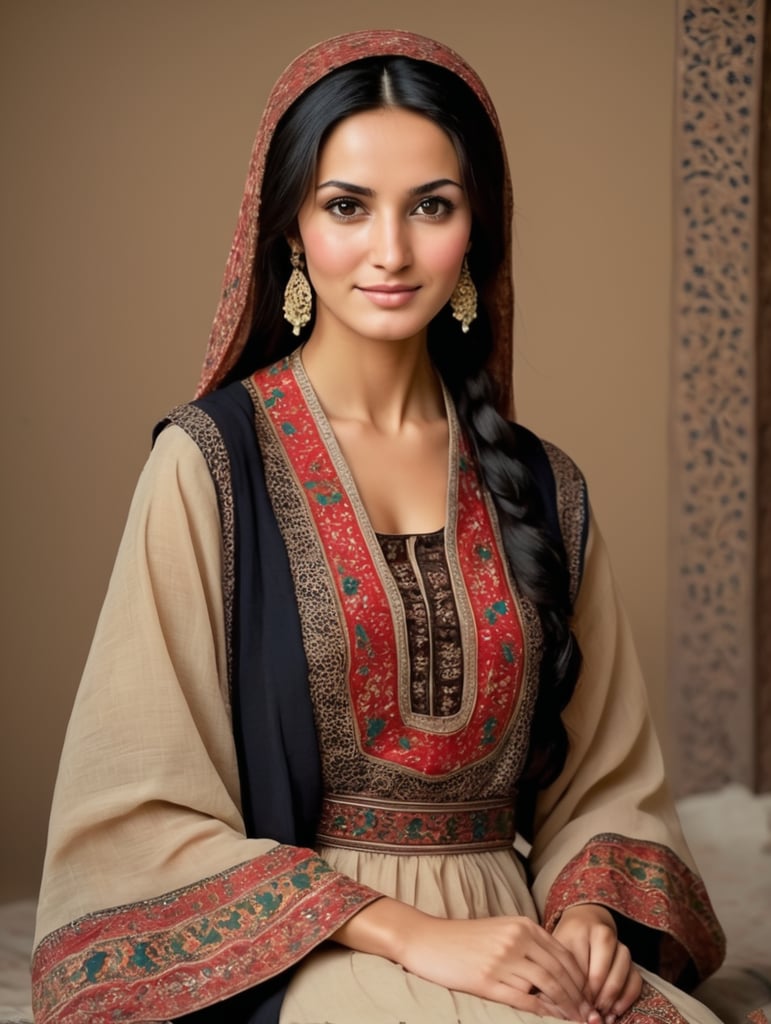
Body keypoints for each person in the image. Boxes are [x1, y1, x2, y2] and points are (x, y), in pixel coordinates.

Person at [31, 29, 727, 1024]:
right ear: (291, 230)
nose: (391, 251)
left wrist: (590, 919)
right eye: (347, 206)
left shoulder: (544, 486)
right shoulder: (209, 465)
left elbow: (610, 781)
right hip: (307, 952)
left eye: (431, 207)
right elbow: (134, 816)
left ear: (476, 230)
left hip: (519, 939)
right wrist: (413, 932)